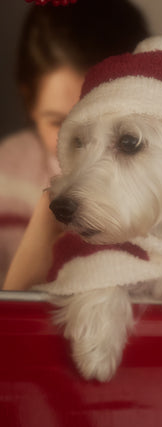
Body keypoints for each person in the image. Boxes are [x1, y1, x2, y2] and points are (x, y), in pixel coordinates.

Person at [0, 0, 149, 287]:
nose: (73, 145)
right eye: (57, 123)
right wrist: (21, 282)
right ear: (30, 100)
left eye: (102, 125)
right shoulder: (5, 176)